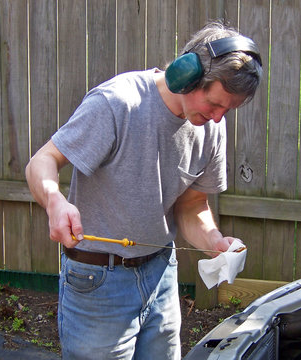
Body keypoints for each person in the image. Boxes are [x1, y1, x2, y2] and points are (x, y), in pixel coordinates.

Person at [25, 20, 262, 360]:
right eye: (215, 104)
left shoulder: (212, 128)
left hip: (161, 273)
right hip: (98, 282)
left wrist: (213, 241)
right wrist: (55, 201)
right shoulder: (118, 103)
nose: (218, 117)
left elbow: (192, 204)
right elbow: (42, 161)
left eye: (228, 110)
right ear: (189, 74)